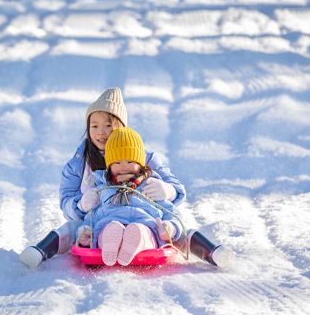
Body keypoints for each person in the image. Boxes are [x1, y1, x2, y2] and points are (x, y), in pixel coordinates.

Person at [19, 87, 233, 268]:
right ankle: (39, 252)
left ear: (121, 126)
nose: (101, 132)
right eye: (94, 126)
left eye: (109, 125)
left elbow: (176, 189)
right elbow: (66, 202)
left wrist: (167, 190)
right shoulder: (78, 164)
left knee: (176, 230)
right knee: (70, 230)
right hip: (94, 221)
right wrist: (81, 205)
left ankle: (213, 253)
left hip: (145, 218)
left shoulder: (143, 156)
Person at [75, 127, 183, 266]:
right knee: (107, 229)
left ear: (140, 163)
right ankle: (110, 241)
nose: (123, 167)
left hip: (145, 225)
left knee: (144, 232)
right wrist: (85, 233)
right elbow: (93, 215)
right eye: (117, 162)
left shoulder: (151, 186)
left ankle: (138, 238)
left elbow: (171, 212)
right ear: (109, 165)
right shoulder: (103, 189)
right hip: (110, 222)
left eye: (130, 161)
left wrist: (170, 228)